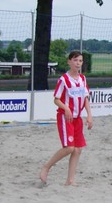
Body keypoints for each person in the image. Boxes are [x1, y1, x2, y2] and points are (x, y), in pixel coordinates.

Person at [39, 50, 93, 186]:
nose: (78, 63)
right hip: (65, 118)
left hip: (77, 118)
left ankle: (70, 180)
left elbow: (85, 98)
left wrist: (89, 115)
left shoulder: (83, 79)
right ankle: (46, 166)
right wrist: (66, 108)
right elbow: (56, 99)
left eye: (80, 61)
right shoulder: (64, 79)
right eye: (75, 60)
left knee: (78, 149)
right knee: (69, 148)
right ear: (69, 62)